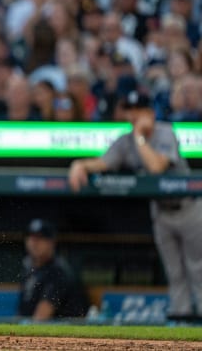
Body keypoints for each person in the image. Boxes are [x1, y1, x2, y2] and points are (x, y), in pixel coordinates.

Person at [68, 90, 202, 322]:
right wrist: (80, 164)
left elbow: (156, 167)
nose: (132, 116)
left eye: (138, 111)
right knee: (175, 272)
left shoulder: (165, 132)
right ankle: (182, 322)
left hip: (189, 208)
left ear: (149, 112)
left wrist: (140, 136)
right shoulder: (126, 140)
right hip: (161, 211)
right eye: (129, 110)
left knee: (198, 269)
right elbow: (102, 162)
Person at [17, 219, 89, 321]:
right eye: (31, 237)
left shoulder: (58, 270)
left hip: (65, 331)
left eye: (40, 238)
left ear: (51, 242)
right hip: (36, 327)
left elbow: (41, 317)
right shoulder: (28, 267)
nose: (34, 242)